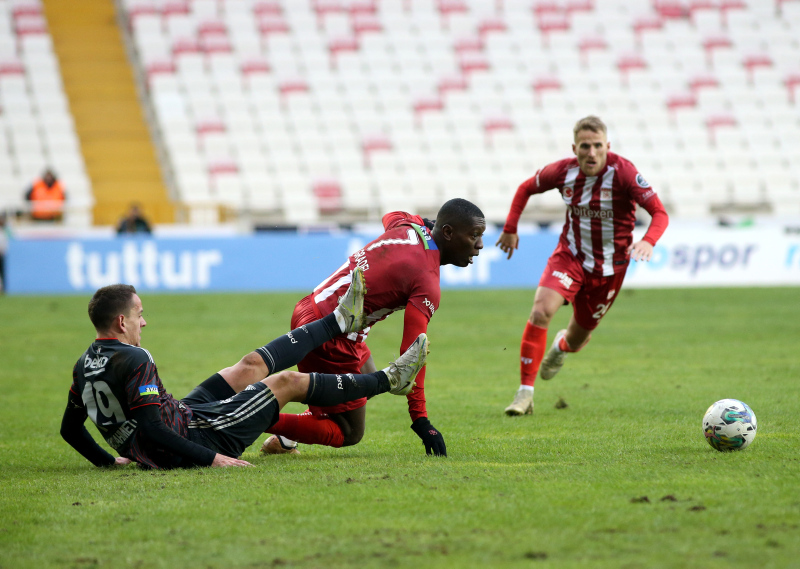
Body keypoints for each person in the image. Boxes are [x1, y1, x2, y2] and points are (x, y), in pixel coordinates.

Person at [60, 268, 430, 469]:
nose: (145, 322)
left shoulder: (83, 364)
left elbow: (70, 429)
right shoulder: (136, 357)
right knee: (286, 382)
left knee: (249, 366)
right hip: (200, 437)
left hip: (185, 419)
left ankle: (339, 320)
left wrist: (111, 461)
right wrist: (213, 458)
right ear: (122, 321)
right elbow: (154, 428)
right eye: (140, 315)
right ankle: (390, 380)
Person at [262, 198, 486, 457]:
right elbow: (412, 355)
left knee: (367, 379)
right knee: (348, 431)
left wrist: (425, 224)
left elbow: (392, 214)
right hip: (335, 334)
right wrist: (420, 419)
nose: (480, 245)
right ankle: (247, 417)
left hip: (312, 305)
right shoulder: (426, 281)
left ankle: (285, 439)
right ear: (447, 232)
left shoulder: (408, 226)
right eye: (474, 236)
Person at [496, 115, 669, 416]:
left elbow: (659, 213)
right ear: (574, 147)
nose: (591, 153)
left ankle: (561, 346)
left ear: (608, 146)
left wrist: (648, 241)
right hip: (570, 257)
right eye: (585, 146)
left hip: (609, 270)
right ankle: (524, 394)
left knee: (577, 339)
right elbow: (526, 188)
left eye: (598, 146)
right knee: (540, 311)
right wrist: (511, 227)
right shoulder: (563, 171)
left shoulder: (624, 173)